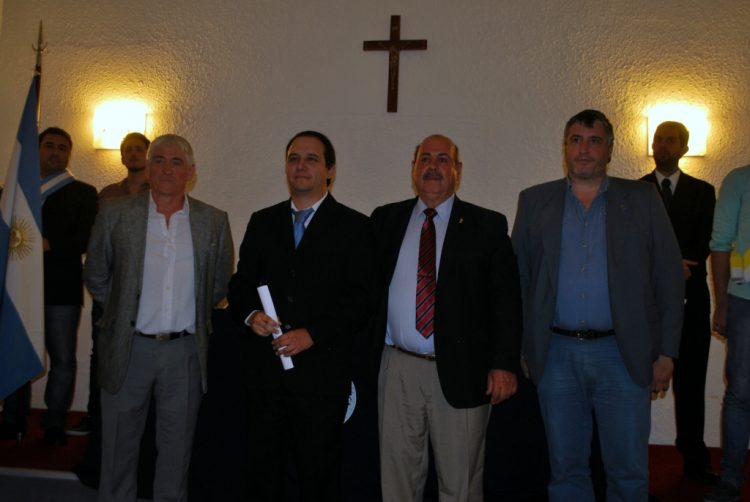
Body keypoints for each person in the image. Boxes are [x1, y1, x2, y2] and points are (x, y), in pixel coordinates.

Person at [511, 109, 684, 501]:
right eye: (575, 140)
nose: (584, 149)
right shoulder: (535, 201)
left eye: (594, 141)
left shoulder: (642, 199)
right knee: (565, 469)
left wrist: (667, 353)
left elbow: (669, 279)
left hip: (622, 354)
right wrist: (523, 346)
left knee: (628, 471)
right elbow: (519, 280)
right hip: (556, 354)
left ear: (609, 149)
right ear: (565, 147)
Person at [370, 134, 522, 501]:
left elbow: (506, 302)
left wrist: (503, 364)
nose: (433, 167)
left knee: (460, 483)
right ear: (413, 168)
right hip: (398, 367)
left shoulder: (487, 225)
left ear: (457, 170)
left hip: (463, 369)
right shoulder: (385, 220)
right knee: (398, 478)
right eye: (425, 159)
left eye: (443, 159)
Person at [83, 134, 233, 502]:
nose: (167, 168)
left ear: (191, 172)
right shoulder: (115, 213)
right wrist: (121, 311)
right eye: (159, 160)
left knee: (177, 451)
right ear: (148, 169)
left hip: (184, 353)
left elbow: (218, 285)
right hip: (128, 349)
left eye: (176, 161)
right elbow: (96, 275)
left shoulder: (213, 221)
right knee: (118, 448)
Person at [227, 130, 373, 501]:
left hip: (321, 378)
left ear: (330, 170)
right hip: (266, 377)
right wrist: (251, 315)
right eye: (294, 158)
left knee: (318, 478)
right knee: (263, 477)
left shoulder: (355, 227)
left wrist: (313, 335)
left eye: (311, 158)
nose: (301, 165)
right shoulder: (263, 221)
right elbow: (241, 284)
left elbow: (361, 300)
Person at [640, 121, 717, 483]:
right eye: (658, 139)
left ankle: (694, 459)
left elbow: (707, 240)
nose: (662, 145)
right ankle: (634, 462)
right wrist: (670, 267)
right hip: (645, 305)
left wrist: (675, 266)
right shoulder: (635, 190)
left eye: (670, 141)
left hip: (692, 301)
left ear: (684, 148)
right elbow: (631, 244)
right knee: (637, 384)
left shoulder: (703, 192)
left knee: (691, 384)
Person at [69, 132, 151, 437]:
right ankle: (96, 418)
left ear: (148, 154)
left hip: (147, 289)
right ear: (121, 156)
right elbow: (97, 243)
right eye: (128, 150)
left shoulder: (159, 193)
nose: (133, 154)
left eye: (139, 149)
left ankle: (139, 420)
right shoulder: (107, 194)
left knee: (142, 353)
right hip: (110, 289)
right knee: (102, 353)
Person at [37, 126, 98, 445]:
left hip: (62, 289)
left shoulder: (83, 192)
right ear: (37, 150)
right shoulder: (15, 190)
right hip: (18, 288)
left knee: (62, 358)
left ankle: (54, 422)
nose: (55, 152)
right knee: (15, 349)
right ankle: (12, 418)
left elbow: (88, 238)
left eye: (62, 148)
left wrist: (52, 245)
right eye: (49, 146)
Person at [705, 164, 750, 502]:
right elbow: (720, 244)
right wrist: (721, 305)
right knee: (740, 392)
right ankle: (731, 479)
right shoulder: (739, 180)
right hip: (745, 302)